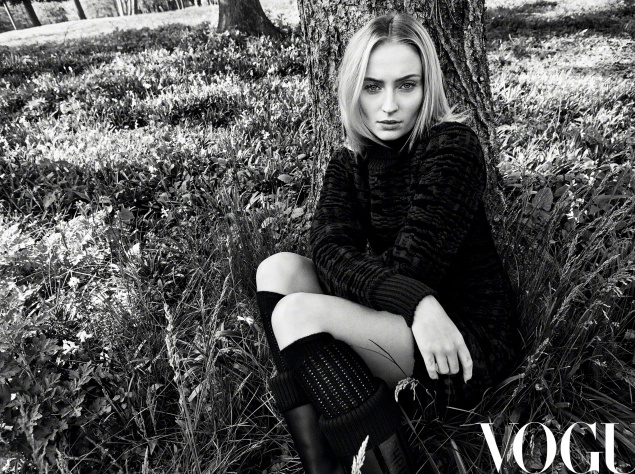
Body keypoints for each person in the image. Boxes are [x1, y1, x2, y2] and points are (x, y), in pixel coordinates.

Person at [255, 12, 522, 474]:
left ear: (427, 87)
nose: (389, 105)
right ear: (353, 89)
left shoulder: (452, 148)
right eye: (373, 87)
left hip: (458, 341)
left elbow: (412, 268)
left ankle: (389, 463)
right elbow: (328, 248)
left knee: (296, 314)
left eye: (407, 85)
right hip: (410, 314)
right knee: (277, 270)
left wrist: (417, 300)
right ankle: (327, 460)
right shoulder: (350, 161)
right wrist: (415, 301)